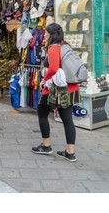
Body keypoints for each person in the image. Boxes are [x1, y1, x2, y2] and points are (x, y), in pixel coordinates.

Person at [32, 23, 79, 162]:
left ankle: (46, 146)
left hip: (54, 90)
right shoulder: (66, 45)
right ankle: (70, 152)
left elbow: (52, 69)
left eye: (46, 32)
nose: (44, 35)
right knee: (68, 120)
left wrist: (43, 81)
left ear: (51, 34)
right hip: (70, 88)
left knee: (42, 114)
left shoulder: (53, 48)